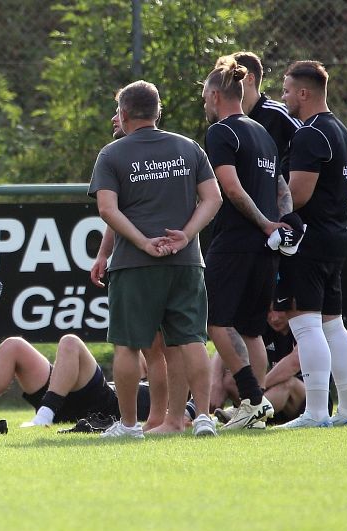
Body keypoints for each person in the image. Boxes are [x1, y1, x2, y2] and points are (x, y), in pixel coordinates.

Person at [89, 80, 222, 439]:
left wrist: (143, 243)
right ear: (157, 112)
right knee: (191, 340)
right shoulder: (189, 147)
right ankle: (203, 417)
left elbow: (108, 210)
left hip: (135, 265)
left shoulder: (112, 154)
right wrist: (186, 235)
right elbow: (213, 198)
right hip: (185, 261)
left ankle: (129, 425)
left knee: (128, 345)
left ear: (123, 114)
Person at [201, 56, 293, 430]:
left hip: (236, 242)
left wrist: (265, 223)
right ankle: (254, 411)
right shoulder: (263, 133)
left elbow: (231, 188)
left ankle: (253, 399)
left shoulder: (221, 132)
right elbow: (282, 189)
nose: (204, 103)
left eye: (204, 97)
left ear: (216, 95)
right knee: (251, 329)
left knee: (216, 321)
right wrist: (282, 225)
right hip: (266, 248)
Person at [274, 60, 347, 428]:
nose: (283, 97)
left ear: (304, 93)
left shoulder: (311, 134)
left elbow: (298, 194)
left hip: (309, 241)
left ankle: (315, 412)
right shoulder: (342, 132)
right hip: (336, 235)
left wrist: (270, 214)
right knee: (332, 325)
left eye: (287, 91)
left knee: (306, 324)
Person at [0, 335, 151, 428]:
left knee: (70, 342)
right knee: (12, 344)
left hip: (101, 407)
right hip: (66, 392)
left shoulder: (164, 399)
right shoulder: (145, 368)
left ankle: (44, 415)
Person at [232, 51, 302, 179]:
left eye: (234, 77)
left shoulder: (279, 114)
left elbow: (309, 144)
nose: (227, 84)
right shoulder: (230, 122)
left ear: (249, 79)